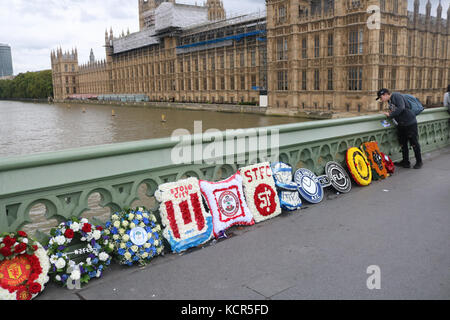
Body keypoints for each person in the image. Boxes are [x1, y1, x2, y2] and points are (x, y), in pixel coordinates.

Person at [377, 88, 423, 169]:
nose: (381, 100)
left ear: (385, 94)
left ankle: (419, 162)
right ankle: (406, 162)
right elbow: (397, 110)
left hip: (409, 123)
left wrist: (390, 114)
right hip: (401, 125)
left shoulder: (396, 95)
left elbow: (401, 107)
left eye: (381, 97)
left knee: (414, 143)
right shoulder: (390, 101)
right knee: (403, 144)